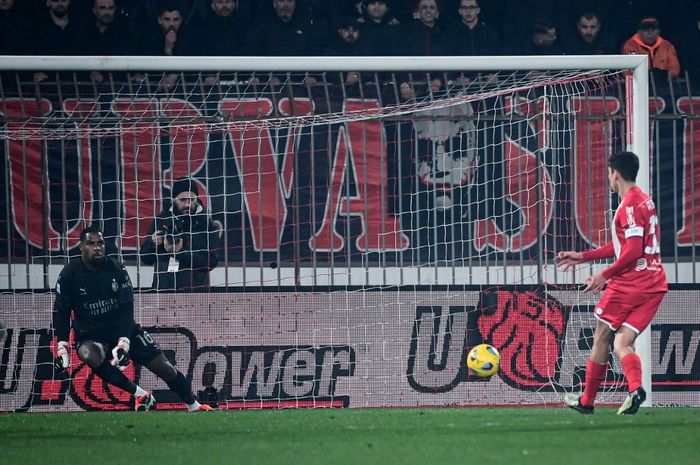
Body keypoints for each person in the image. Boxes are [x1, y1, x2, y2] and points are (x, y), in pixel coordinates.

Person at [52, 226, 214, 411]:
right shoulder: (68, 275)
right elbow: (61, 311)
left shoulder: (116, 268)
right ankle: (140, 395)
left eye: (100, 243)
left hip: (123, 329)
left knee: (165, 367)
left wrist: (124, 342)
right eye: (91, 243)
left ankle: (194, 405)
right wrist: (62, 347)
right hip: (91, 334)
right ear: (81, 247)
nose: (97, 248)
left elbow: (126, 310)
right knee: (88, 353)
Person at [557, 151, 668, 415]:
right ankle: (636, 390)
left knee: (601, 336)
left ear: (614, 174)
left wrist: (604, 275)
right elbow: (623, 245)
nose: (609, 178)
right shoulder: (644, 201)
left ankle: (587, 401)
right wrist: (584, 256)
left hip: (631, 284)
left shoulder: (629, 205)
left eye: (609, 173)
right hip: (654, 284)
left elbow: (632, 250)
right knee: (622, 343)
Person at [140, 178, 219, 292]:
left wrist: (180, 253)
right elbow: (146, 258)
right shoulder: (161, 220)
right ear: (174, 200)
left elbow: (211, 262)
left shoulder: (207, 224)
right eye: (183, 200)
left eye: (192, 199)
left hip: (196, 296)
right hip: (163, 292)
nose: (188, 204)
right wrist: (154, 244)